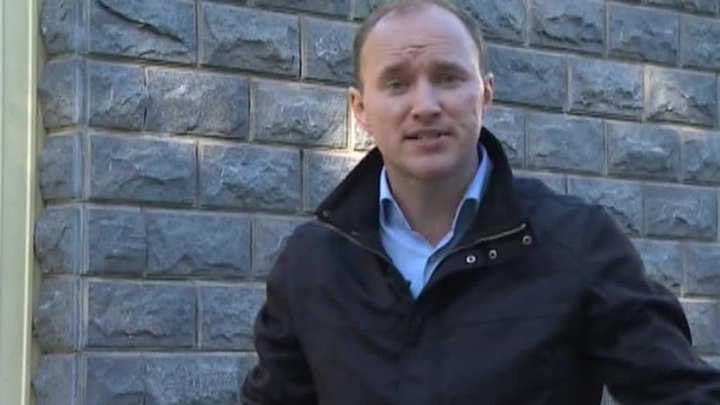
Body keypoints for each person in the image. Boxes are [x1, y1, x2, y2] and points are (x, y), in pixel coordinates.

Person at [241, 1, 720, 403]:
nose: (425, 105)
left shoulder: (578, 243)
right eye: (396, 84)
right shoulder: (311, 264)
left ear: (485, 94)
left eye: (448, 78)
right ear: (360, 109)